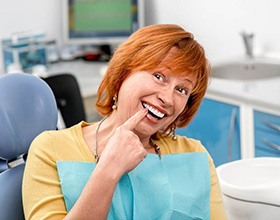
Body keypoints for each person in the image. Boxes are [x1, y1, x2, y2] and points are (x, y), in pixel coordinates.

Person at [22, 24, 227, 219]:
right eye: (159, 76)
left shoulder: (195, 156)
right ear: (122, 74)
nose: (167, 98)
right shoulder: (49, 149)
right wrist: (109, 169)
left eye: (181, 90)